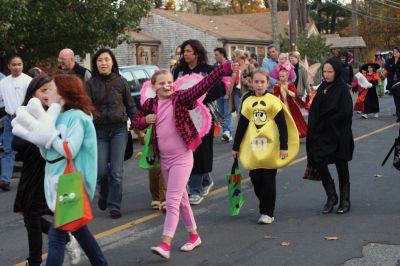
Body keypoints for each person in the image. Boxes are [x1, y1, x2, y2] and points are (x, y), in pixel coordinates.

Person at [133, 60, 238, 260]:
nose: (166, 86)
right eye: (161, 83)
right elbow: (136, 119)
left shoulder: (180, 98)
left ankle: (165, 243)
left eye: (169, 82)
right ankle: (194, 236)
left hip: (182, 157)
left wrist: (222, 70)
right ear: (153, 87)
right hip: (164, 159)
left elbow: (202, 86)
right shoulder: (151, 104)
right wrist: (145, 121)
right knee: (181, 201)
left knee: (171, 200)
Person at [11, 74, 108, 265]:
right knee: (80, 232)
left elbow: (69, 149)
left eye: (51, 89)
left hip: (72, 183)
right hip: (60, 184)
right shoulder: (57, 116)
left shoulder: (79, 118)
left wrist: (49, 137)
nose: (47, 93)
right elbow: (49, 155)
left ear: (63, 94)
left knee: (56, 236)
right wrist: (41, 139)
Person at [12, 75, 80, 266]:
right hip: (29, 172)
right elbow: (16, 143)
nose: (47, 94)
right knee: (28, 215)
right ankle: (67, 239)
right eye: (43, 90)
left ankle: (34, 261)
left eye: (50, 89)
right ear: (32, 94)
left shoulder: (57, 115)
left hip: (49, 170)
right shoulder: (25, 113)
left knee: (35, 215)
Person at [232, 69, 290, 224]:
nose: (259, 85)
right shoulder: (247, 102)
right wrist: (236, 147)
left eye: (262, 82)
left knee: (269, 179)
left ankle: (267, 212)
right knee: (255, 178)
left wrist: (283, 146)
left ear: (268, 83)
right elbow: (242, 126)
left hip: (270, 147)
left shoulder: (273, 101)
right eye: (256, 82)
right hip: (254, 148)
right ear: (251, 83)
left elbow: (282, 126)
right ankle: (264, 203)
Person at [173, 39, 226, 205]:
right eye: (184, 51)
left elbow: (220, 89)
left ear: (196, 52)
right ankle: (205, 179)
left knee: (201, 150)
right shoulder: (178, 70)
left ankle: (195, 190)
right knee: (188, 149)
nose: (185, 54)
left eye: (188, 51)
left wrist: (201, 98)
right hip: (183, 115)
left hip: (203, 116)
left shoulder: (208, 70)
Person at [86, 48, 136, 219]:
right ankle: (105, 194)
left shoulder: (121, 82)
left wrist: (138, 125)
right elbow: (86, 108)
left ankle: (114, 205)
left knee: (116, 171)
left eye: (106, 59)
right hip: (99, 131)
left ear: (112, 62)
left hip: (119, 130)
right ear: (96, 64)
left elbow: (130, 106)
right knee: (100, 172)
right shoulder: (90, 84)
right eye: (100, 60)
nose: (104, 63)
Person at [306, 57, 354, 215]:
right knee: (319, 160)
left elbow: (346, 113)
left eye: (330, 71)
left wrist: (328, 121)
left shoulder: (342, 88)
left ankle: (345, 200)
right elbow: (314, 110)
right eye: (324, 71)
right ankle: (331, 196)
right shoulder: (322, 88)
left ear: (337, 71)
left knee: (342, 166)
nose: (326, 75)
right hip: (323, 134)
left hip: (340, 134)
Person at [0, 56, 32, 191]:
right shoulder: (3, 82)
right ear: (9, 66)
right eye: (14, 65)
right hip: (9, 119)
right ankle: (5, 180)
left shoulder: (28, 80)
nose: (17, 67)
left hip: (25, 118)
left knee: (29, 149)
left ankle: (31, 178)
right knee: (8, 150)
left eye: (19, 64)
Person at [134, 129, 167, 211]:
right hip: (152, 154)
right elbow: (144, 142)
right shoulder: (149, 124)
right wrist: (141, 135)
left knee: (164, 179)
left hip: (166, 152)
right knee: (153, 177)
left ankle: (165, 200)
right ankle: (156, 198)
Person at [273, 69, 307, 138]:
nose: (281, 78)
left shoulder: (290, 85)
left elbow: (294, 94)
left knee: (294, 119)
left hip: (291, 106)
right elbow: (275, 96)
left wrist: (287, 90)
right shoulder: (277, 86)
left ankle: (297, 132)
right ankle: (287, 133)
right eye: (280, 76)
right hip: (283, 105)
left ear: (287, 76)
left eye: (283, 76)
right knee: (284, 120)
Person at [214, 47, 233, 142]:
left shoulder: (229, 65)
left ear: (222, 54)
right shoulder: (215, 66)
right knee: (221, 114)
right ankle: (226, 132)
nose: (215, 57)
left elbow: (233, 79)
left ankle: (227, 132)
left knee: (227, 113)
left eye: (216, 55)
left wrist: (230, 92)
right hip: (218, 93)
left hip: (227, 93)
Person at [228, 49, 256, 114]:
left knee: (247, 112)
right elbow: (232, 82)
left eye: (234, 56)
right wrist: (228, 93)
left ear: (238, 56)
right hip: (236, 92)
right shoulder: (235, 66)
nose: (232, 58)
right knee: (239, 113)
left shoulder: (250, 66)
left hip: (247, 92)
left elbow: (256, 79)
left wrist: (247, 82)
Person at [385, 47, 400, 122]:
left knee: (398, 98)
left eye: (396, 51)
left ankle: (399, 115)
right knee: (395, 98)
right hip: (392, 83)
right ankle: (398, 112)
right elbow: (386, 66)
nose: (395, 53)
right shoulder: (391, 60)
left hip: (399, 82)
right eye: (394, 52)